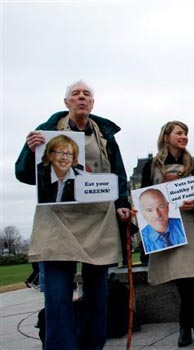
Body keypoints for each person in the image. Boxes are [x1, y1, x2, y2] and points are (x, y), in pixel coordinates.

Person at [15, 80, 131, 350]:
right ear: (66, 102)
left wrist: (123, 202)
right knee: (57, 298)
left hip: (97, 221)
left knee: (97, 296)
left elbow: (119, 176)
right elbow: (23, 175)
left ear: (92, 103)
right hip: (57, 221)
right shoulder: (46, 133)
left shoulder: (105, 135)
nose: (81, 98)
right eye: (75, 94)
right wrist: (29, 150)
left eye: (86, 94)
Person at [140, 121, 194, 349]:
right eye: (179, 133)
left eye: (186, 133)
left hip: (189, 224)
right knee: (182, 279)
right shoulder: (151, 166)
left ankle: (188, 325)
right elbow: (142, 196)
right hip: (166, 226)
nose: (184, 137)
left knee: (187, 277)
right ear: (166, 136)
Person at [37, 134, 84, 203]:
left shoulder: (81, 174)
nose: (64, 158)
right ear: (50, 155)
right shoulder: (39, 171)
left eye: (69, 154)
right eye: (59, 152)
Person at [138, 188, 186, 253]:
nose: (157, 214)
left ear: (167, 207)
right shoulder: (144, 239)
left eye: (161, 207)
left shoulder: (183, 226)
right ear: (142, 214)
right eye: (149, 210)